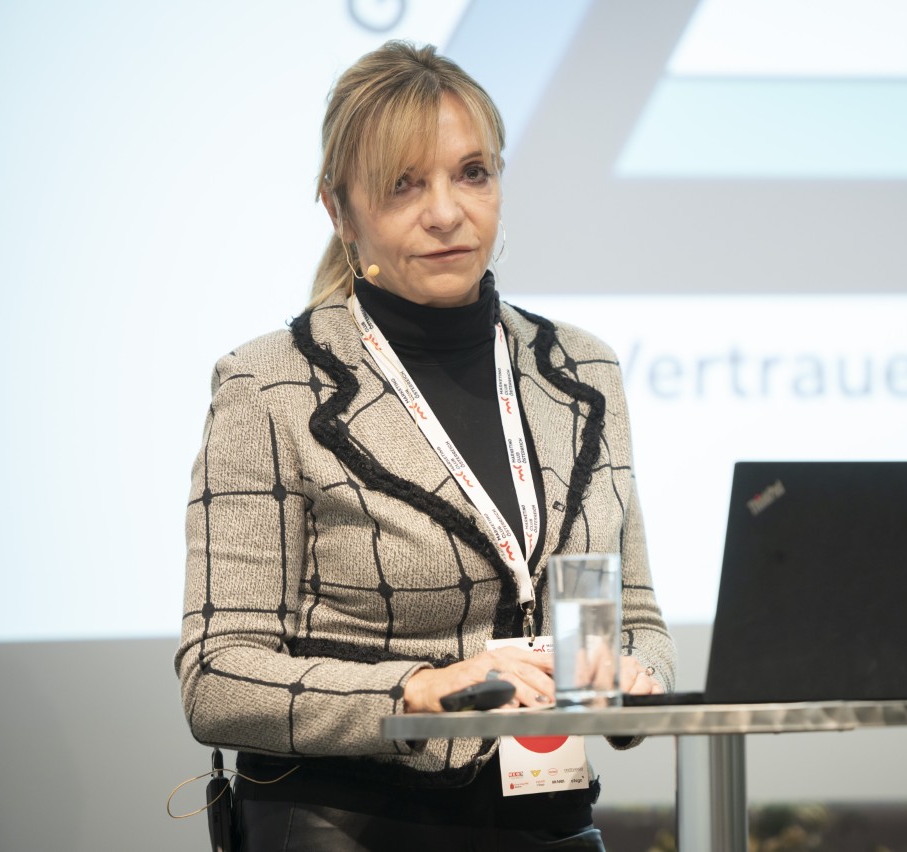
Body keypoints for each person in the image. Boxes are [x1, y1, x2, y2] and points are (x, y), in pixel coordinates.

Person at [175, 40, 675, 851]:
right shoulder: (270, 387)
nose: (445, 212)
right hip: (356, 828)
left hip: (553, 822)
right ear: (340, 211)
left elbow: (638, 618)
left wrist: (633, 675)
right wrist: (418, 691)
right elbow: (218, 677)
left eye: (472, 173)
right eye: (403, 184)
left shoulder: (585, 372)